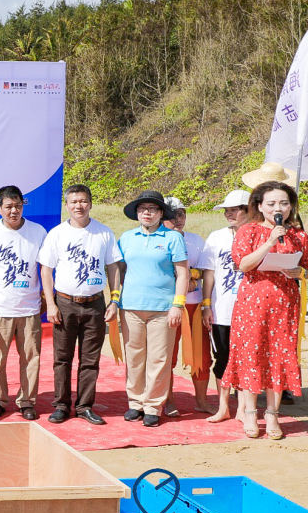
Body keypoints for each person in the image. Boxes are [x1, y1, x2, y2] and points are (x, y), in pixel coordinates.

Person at [221, 181, 308, 440]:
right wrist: (269, 242)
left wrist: (300, 272)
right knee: (252, 354)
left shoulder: (298, 235)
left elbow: (306, 267)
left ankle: (272, 413)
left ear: (291, 206)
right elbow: (243, 264)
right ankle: (249, 412)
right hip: (253, 303)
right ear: (259, 206)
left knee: (279, 356)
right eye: (271, 203)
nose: (277, 208)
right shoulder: (248, 231)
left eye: (283, 203)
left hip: (285, 304)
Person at [39, 183, 121, 425]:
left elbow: (113, 267)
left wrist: (114, 300)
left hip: (95, 304)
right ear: (66, 205)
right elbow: (46, 270)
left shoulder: (104, 233)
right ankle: (61, 405)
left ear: (91, 203)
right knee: (62, 358)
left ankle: (84, 406)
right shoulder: (57, 234)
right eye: (74, 202)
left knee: (90, 360)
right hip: (65, 303)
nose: (79, 206)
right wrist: (51, 303)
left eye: (83, 201)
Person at [115, 190, 188, 428]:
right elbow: (119, 270)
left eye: (153, 209)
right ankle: (135, 403)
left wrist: (178, 304)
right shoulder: (127, 238)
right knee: (134, 357)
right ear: (136, 212)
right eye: (142, 208)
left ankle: (153, 406)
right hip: (131, 307)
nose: (147, 213)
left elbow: (183, 273)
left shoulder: (173, 238)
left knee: (159, 358)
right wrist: (116, 299)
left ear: (161, 213)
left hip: (163, 309)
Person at [0, 185, 46, 420]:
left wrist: (45, 299)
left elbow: (46, 268)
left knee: (31, 357)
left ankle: (27, 401)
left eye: (18, 206)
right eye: (8, 206)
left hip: (29, 307)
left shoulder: (38, 231)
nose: (14, 211)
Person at [200, 189, 250, 424]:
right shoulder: (216, 237)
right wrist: (206, 305)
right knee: (222, 358)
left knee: (247, 359)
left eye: (233, 210)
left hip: (250, 309)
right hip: (221, 309)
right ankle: (223, 407)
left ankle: (244, 408)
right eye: (226, 210)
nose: (228, 214)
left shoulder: (259, 235)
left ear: (248, 210)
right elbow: (209, 273)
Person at [162, 196, 212, 415]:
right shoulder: (158, 239)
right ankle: (168, 401)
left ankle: (201, 401)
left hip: (194, 305)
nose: (178, 219)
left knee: (202, 356)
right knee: (167, 356)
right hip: (168, 306)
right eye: (172, 215)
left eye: (181, 214)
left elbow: (207, 270)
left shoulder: (196, 240)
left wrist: (192, 276)